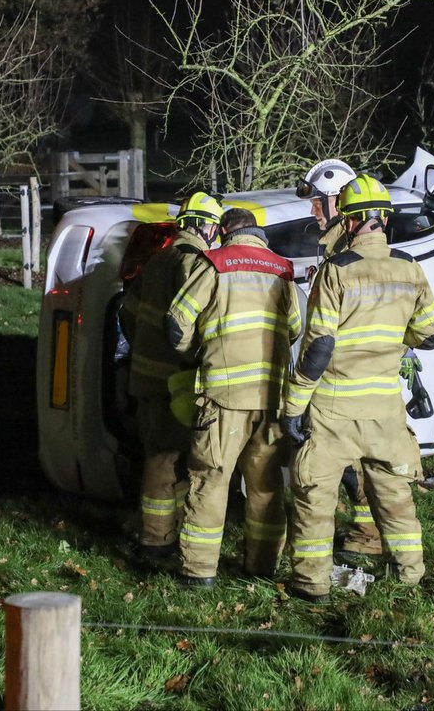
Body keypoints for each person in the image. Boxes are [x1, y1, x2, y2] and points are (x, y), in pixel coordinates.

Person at [282, 175, 434, 603]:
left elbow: (318, 348)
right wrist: (391, 339)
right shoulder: (410, 268)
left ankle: (312, 586)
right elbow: (431, 336)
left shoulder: (338, 271)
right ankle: (409, 575)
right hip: (385, 409)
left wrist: (293, 405)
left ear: (350, 222)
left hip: (335, 408)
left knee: (315, 496)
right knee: (393, 494)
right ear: (384, 218)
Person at [166, 207, 302, 587]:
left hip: (222, 398)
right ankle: (262, 567)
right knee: (265, 485)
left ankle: (198, 573)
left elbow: (177, 323)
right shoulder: (282, 269)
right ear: (259, 233)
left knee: (211, 480)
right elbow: (294, 329)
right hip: (271, 399)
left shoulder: (214, 264)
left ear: (225, 230)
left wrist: (197, 349)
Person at [121, 191, 223, 560]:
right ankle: (157, 540)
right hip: (174, 381)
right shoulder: (192, 263)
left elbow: (127, 312)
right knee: (166, 461)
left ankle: (163, 533)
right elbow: (190, 325)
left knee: (162, 457)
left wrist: (143, 349)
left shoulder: (158, 258)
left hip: (146, 377)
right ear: (206, 226)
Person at [297, 159, 384, 563]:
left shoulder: (348, 249)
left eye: (319, 202)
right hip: (340, 370)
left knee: (357, 461)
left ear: (338, 202)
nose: (314, 210)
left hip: (350, 372)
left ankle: (369, 532)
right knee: (349, 461)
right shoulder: (334, 245)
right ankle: (365, 528)